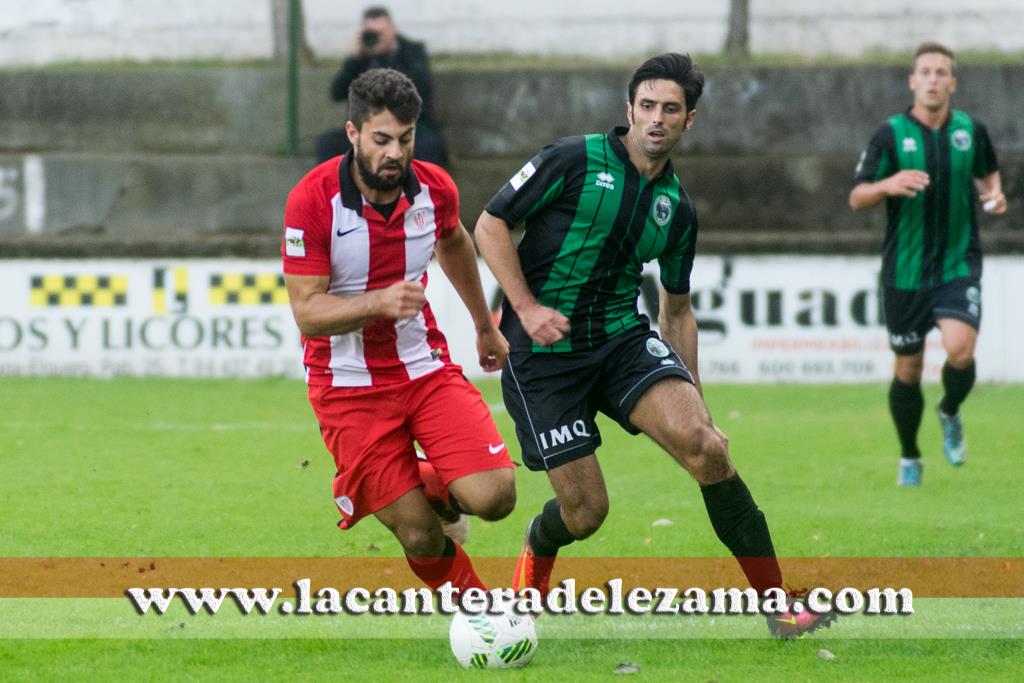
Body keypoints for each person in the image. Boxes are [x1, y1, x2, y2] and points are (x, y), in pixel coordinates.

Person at [474, 52, 834, 638]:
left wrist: (696, 400)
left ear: (689, 119)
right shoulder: (572, 159)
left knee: (708, 448)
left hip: (620, 339)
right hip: (542, 358)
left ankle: (780, 609)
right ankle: (539, 547)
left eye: (671, 109)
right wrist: (526, 307)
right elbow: (489, 224)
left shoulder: (678, 209)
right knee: (586, 513)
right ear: (629, 111)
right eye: (647, 107)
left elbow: (678, 308)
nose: (657, 119)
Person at [283, 67, 514, 593]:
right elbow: (306, 312)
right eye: (381, 139)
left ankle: (431, 485)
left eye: (405, 139)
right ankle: (482, 613)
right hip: (346, 387)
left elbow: (454, 241)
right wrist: (380, 302)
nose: (394, 153)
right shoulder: (313, 201)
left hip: (424, 370)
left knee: (496, 497)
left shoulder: (434, 188)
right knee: (419, 535)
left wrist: (483, 325)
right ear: (353, 134)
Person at [849, 41, 1007, 487]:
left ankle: (950, 410)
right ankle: (910, 455)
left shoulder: (970, 131)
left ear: (952, 82)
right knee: (908, 369)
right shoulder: (890, 134)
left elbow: (989, 174)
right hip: (905, 271)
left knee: (960, 350)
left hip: (959, 263)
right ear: (913, 81)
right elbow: (857, 196)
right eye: (926, 72)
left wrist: (994, 194)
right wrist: (889, 184)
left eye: (942, 72)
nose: (934, 79)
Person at [316, 6, 448, 166]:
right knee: (328, 143)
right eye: (372, 33)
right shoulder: (361, 58)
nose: (377, 38)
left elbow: (420, 86)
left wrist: (386, 57)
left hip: (408, 126)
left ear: (393, 30)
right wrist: (355, 59)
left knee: (430, 146)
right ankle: (340, 190)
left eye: (382, 32)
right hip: (367, 128)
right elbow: (337, 93)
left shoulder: (412, 51)